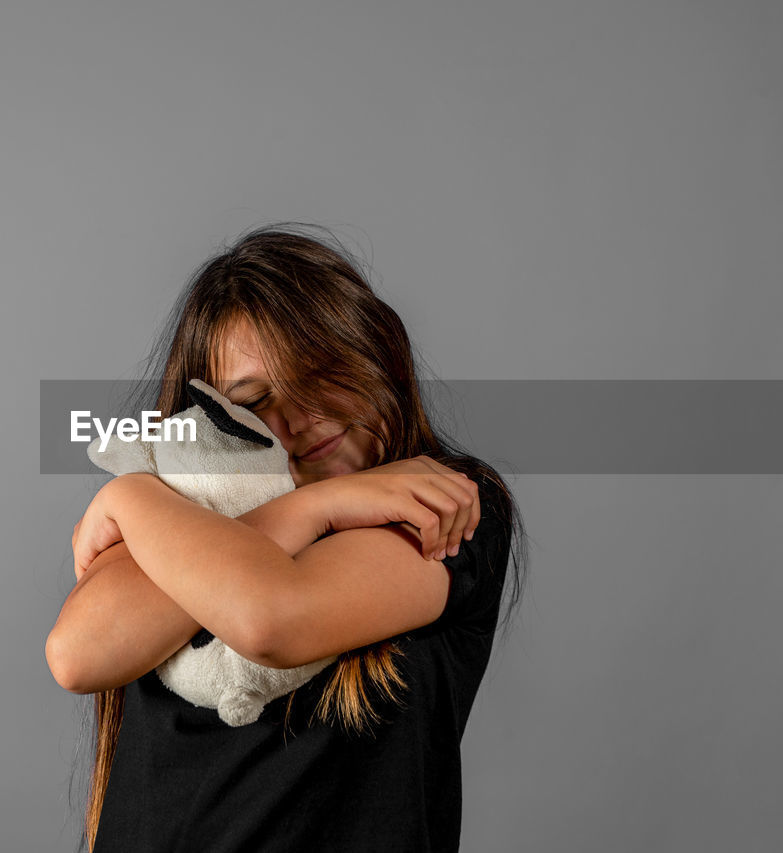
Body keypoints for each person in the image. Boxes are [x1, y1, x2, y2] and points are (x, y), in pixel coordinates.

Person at [45, 223, 527, 852]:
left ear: (377, 350)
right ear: (212, 422)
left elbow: (271, 618)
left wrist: (127, 498)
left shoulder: (447, 502)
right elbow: (77, 656)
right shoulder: (167, 510)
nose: (300, 418)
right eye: (256, 401)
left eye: (321, 370)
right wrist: (141, 494)